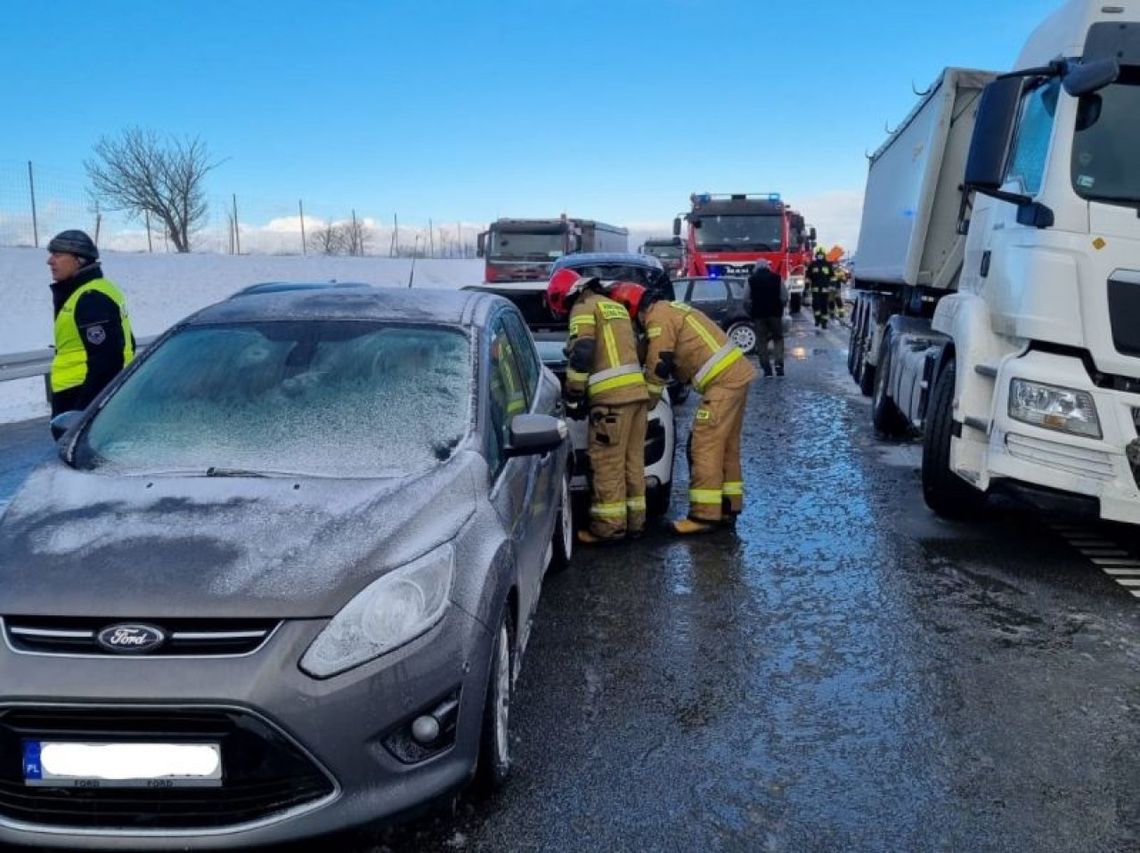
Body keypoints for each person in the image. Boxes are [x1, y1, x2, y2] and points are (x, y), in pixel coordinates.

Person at [606, 281, 755, 535]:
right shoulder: (668, 309)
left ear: (633, 310)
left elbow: (659, 362)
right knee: (725, 445)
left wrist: (648, 401)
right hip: (735, 376)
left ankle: (704, 516)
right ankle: (728, 506)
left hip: (722, 382)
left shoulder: (658, 319)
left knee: (704, 444)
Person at [546, 268, 650, 544]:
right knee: (632, 462)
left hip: (611, 400)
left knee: (607, 462)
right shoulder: (613, 306)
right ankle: (635, 523)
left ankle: (609, 527)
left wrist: (574, 393)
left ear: (564, 296)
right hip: (636, 395)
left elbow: (582, 352)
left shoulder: (582, 308)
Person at [46, 230, 135, 433]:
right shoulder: (89, 290)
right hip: (81, 394)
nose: (50, 261)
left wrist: (83, 412)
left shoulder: (90, 296)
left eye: (58, 255)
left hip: (82, 397)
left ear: (79, 260)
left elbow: (108, 359)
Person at [747, 259, 787, 377]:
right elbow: (784, 296)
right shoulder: (777, 278)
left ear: (756, 268)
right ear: (768, 267)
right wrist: (781, 307)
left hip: (758, 316)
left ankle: (766, 369)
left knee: (761, 341)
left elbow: (745, 299)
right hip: (775, 314)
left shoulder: (751, 280)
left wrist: (750, 311)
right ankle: (779, 365)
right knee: (778, 339)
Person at [805, 246, 836, 332]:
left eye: (821, 255)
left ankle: (824, 322)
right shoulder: (812, 265)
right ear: (816, 255)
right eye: (819, 255)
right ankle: (817, 320)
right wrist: (806, 287)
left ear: (824, 255)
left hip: (825, 290)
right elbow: (808, 276)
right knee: (816, 305)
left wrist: (832, 285)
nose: (820, 256)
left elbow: (833, 276)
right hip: (815, 290)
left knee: (824, 306)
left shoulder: (828, 265)